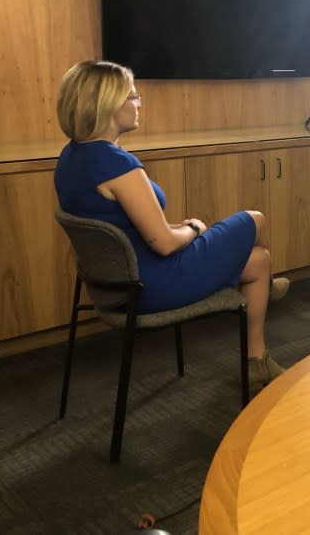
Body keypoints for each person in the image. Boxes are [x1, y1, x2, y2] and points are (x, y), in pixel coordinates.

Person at [54, 60, 288, 397]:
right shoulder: (117, 166)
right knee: (255, 219)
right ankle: (265, 293)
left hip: (117, 285)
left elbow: (125, 228)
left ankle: (257, 359)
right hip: (152, 285)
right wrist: (193, 229)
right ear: (107, 105)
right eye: (132, 97)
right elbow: (163, 243)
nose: (139, 102)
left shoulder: (71, 157)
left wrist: (181, 228)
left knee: (259, 261)